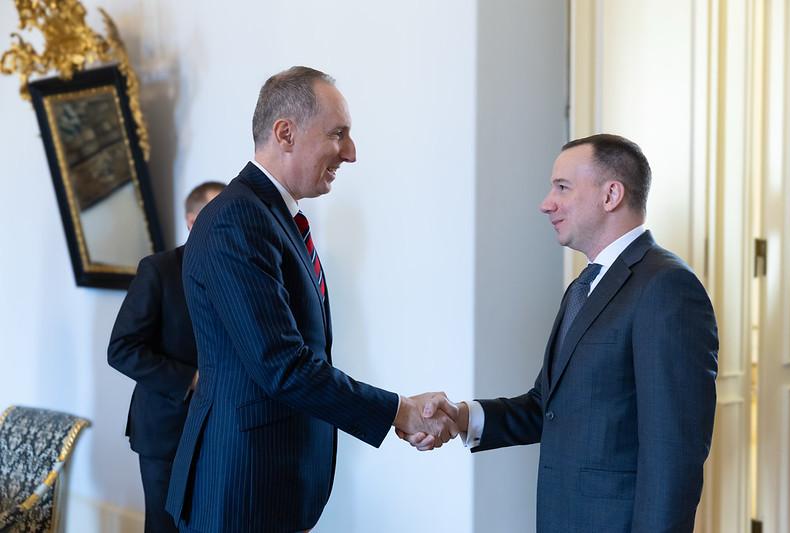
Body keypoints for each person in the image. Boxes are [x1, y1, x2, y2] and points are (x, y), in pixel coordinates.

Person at [164, 66, 458, 533]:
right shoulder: (237, 220)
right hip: (239, 486)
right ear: (285, 133)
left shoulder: (272, 216)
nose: (351, 152)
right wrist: (399, 410)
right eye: (338, 134)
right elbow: (281, 365)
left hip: (271, 481)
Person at [411, 134, 719, 532]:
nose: (546, 203)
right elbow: (548, 407)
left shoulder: (667, 287)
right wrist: (462, 417)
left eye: (562, 187)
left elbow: (673, 455)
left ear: (611, 195)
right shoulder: (582, 288)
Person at [108, 181, 225, 533]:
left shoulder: (244, 272)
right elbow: (122, 349)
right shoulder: (158, 270)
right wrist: (192, 379)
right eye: (217, 215)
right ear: (191, 221)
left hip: (222, 431)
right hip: (165, 431)